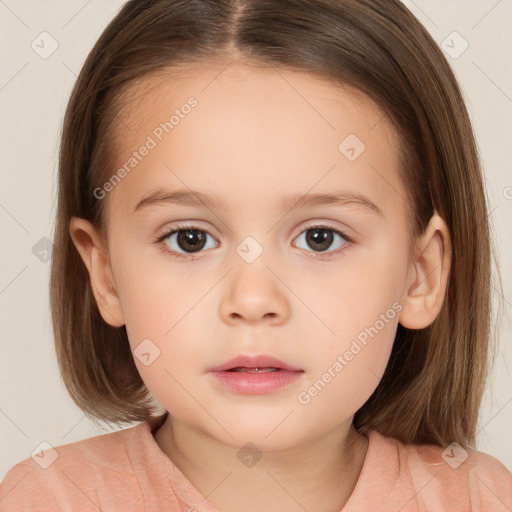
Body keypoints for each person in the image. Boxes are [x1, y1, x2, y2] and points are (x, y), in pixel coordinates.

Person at [1, 0, 511, 510]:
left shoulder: (480, 499)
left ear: (419, 275)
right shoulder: (46, 499)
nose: (252, 300)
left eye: (320, 238)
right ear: (106, 274)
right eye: (190, 239)